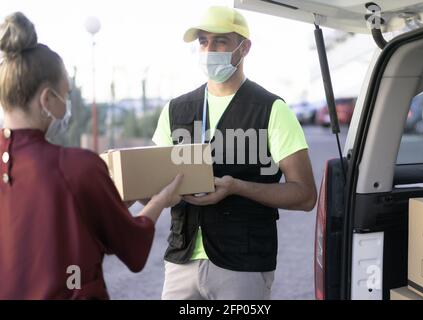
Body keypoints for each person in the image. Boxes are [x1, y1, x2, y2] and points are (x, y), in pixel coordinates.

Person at [0, 12, 183, 300]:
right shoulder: (76, 167)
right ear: (47, 99)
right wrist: (161, 200)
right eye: (66, 94)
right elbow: (131, 246)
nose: (68, 105)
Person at [152, 6, 317, 300]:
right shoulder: (175, 109)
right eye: (203, 42)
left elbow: (305, 195)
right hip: (181, 259)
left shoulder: (271, 110)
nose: (209, 49)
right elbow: (154, 183)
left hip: (243, 265)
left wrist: (236, 187)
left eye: (220, 41)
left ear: (244, 48)